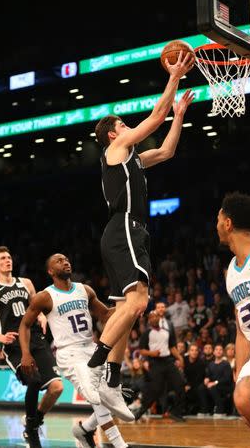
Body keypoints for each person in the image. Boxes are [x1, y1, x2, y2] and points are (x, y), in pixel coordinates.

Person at [86, 53, 195, 397]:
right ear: (112, 134)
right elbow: (155, 116)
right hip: (124, 228)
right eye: (121, 123)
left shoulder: (132, 159)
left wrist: (178, 117)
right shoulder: (116, 147)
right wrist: (174, 76)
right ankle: (96, 365)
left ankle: (114, 378)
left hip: (128, 232)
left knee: (128, 309)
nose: (126, 125)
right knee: (136, 304)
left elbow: (165, 151)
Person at [19, 253, 133, 448]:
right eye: (58, 261)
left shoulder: (84, 289)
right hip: (69, 354)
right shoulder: (44, 297)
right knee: (97, 398)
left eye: (66, 259)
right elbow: (24, 325)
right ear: (50, 271)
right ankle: (120, 445)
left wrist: (129, 306)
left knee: (109, 397)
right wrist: (26, 353)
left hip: (92, 348)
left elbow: (105, 314)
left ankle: (84, 429)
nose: (65, 262)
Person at [0, 246, 63, 448]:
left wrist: (43, 317)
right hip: (15, 344)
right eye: (2, 258)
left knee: (56, 388)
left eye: (9, 257)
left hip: (35, 338)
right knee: (34, 381)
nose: (7, 260)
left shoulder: (26, 283)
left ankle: (33, 421)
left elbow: (37, 308)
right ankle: (32, 432)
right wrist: (1, 337)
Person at [217, 191, 250, 443]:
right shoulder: (231, 273)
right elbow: (241, 330)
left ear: (227, 223)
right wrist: (240, 371)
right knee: (245, 401)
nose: (216, 225)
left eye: (218, 219)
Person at [134, 310, 186, 421]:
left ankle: (176, 412)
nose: (154, 318)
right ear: (149, 320)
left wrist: (179, 357)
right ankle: (140, 412)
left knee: (180, 384)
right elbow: (141, 350)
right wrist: (151, 353)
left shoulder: (167, 332)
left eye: (156, 316)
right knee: (154, 390)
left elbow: (172, 347)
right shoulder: (147, 333)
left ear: (160, 318)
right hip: (155, 363)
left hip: (168, 361)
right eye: (151, 317)